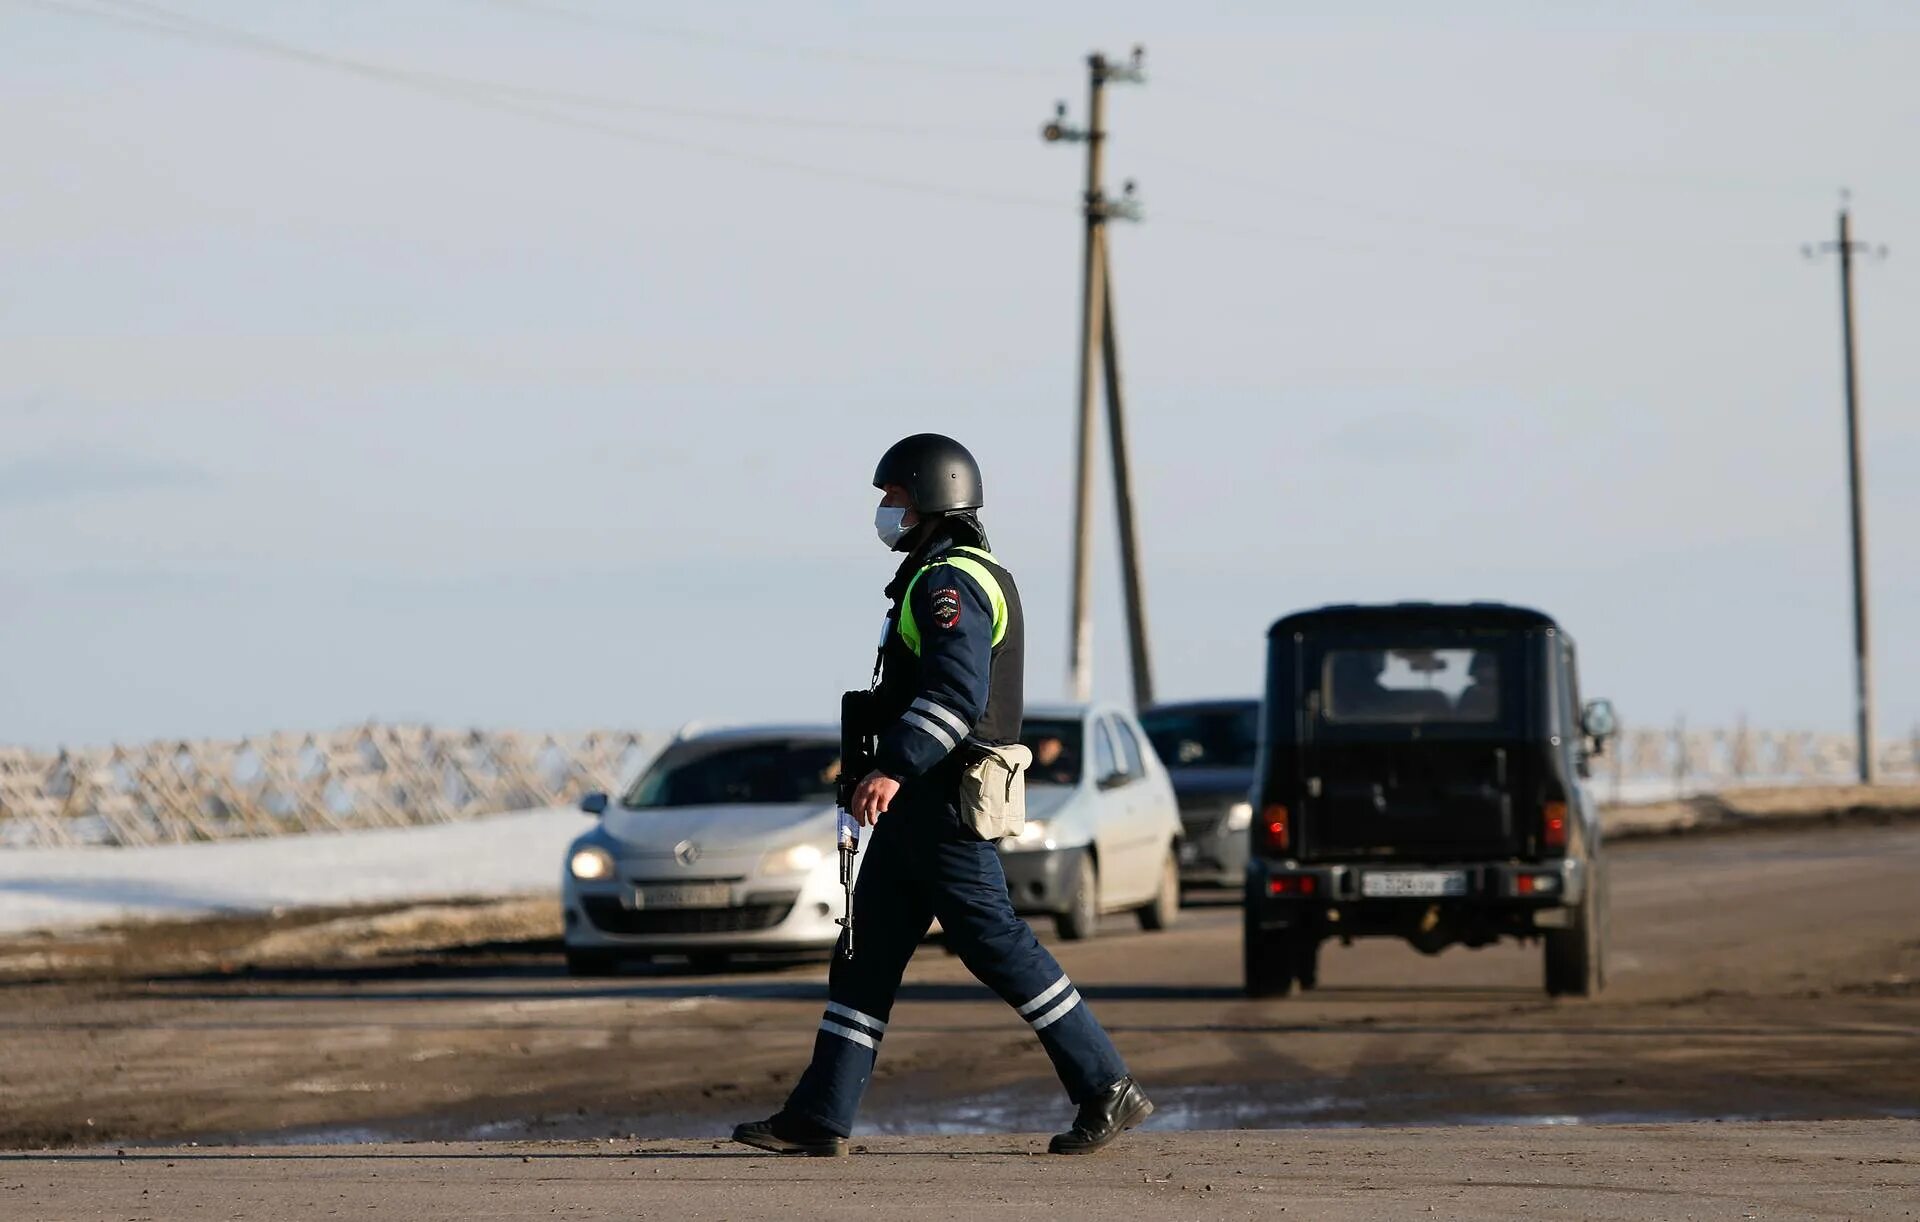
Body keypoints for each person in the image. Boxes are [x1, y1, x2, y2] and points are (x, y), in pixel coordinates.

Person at [733, 433, 1151, 1157]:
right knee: (865, 959)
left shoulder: (947, 584)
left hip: (941, 802)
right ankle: (820, 1115)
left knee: (997, 946)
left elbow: (956, 697)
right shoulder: (939, 573)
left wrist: (894, 765)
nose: (884, 511)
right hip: (915, 808)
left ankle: (1105, 1085)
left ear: (930, 498)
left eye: (892, 498)